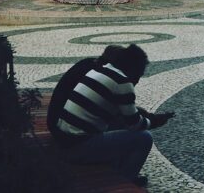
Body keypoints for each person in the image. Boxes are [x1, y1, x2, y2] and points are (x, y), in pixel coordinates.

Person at [47, 44, 173, 187]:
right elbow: (136, 124)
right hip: (77, 147)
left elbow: (122, 114)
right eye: (139, 74)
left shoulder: (101, 70)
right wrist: (155, 121)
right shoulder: (122, 82)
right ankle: (123, 183)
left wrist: (142, 115)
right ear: (133, 69)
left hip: (63, 139)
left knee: (121, 128)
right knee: (144, 138)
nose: (137, 80)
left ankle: (116, 171)